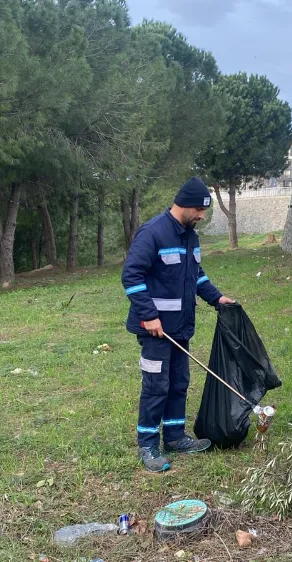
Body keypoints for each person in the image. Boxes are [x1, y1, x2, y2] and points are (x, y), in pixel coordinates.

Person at [121, 177, 235, 472]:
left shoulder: (190, 236)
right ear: (183, 205)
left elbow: (196, 275)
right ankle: (148, 444)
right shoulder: (153, 233)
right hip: (155, 331)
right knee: (156, 386)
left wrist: (217, 298)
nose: (201, 216)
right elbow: (131, 275)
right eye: (199, 210)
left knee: (179, 383)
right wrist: (149, 315)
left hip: (180, 328)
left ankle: (174, 437)